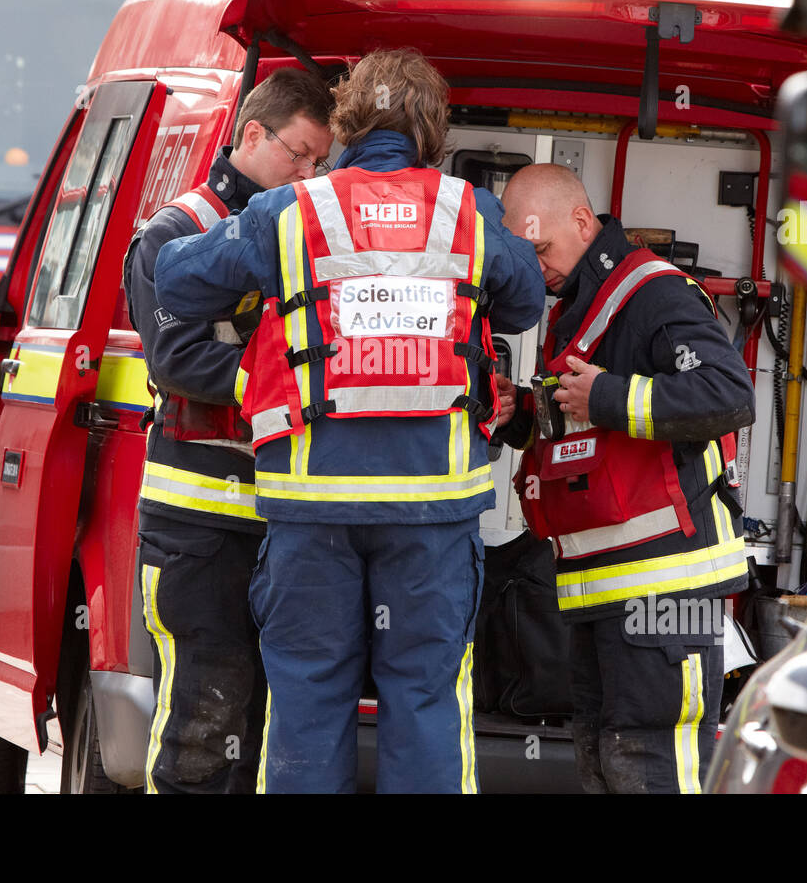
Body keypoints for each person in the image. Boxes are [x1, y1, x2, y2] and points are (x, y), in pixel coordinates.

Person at [153, 48, 545, 793]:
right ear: (432, 131)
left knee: (306, 698)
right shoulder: (470, 213)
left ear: (347, 123)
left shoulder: (291, 212)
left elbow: (175, 275)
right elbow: (525, 304)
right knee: (425, 701)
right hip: (432, 511)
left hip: (311, 508)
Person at [497, 163, 755, 794]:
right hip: (600, 592)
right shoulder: (579, 306)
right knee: (606, 763)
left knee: (653, 765)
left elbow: (728, 394)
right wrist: (519, 416)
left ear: (583, 222)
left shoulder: (653, 293)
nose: (534, 269)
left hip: (666, 590)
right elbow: (587, 444)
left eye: (539, 250)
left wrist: (607, 396)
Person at [123, 67, 334, 794]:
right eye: (299, 155)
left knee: (275, 729)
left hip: (288, 521)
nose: (309, 174)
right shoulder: (176, 232)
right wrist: (293, 376)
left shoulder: (304, 233)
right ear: (252, 133)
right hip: (199, 527)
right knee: (202, 725)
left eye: (320, 163)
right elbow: (176, 358)